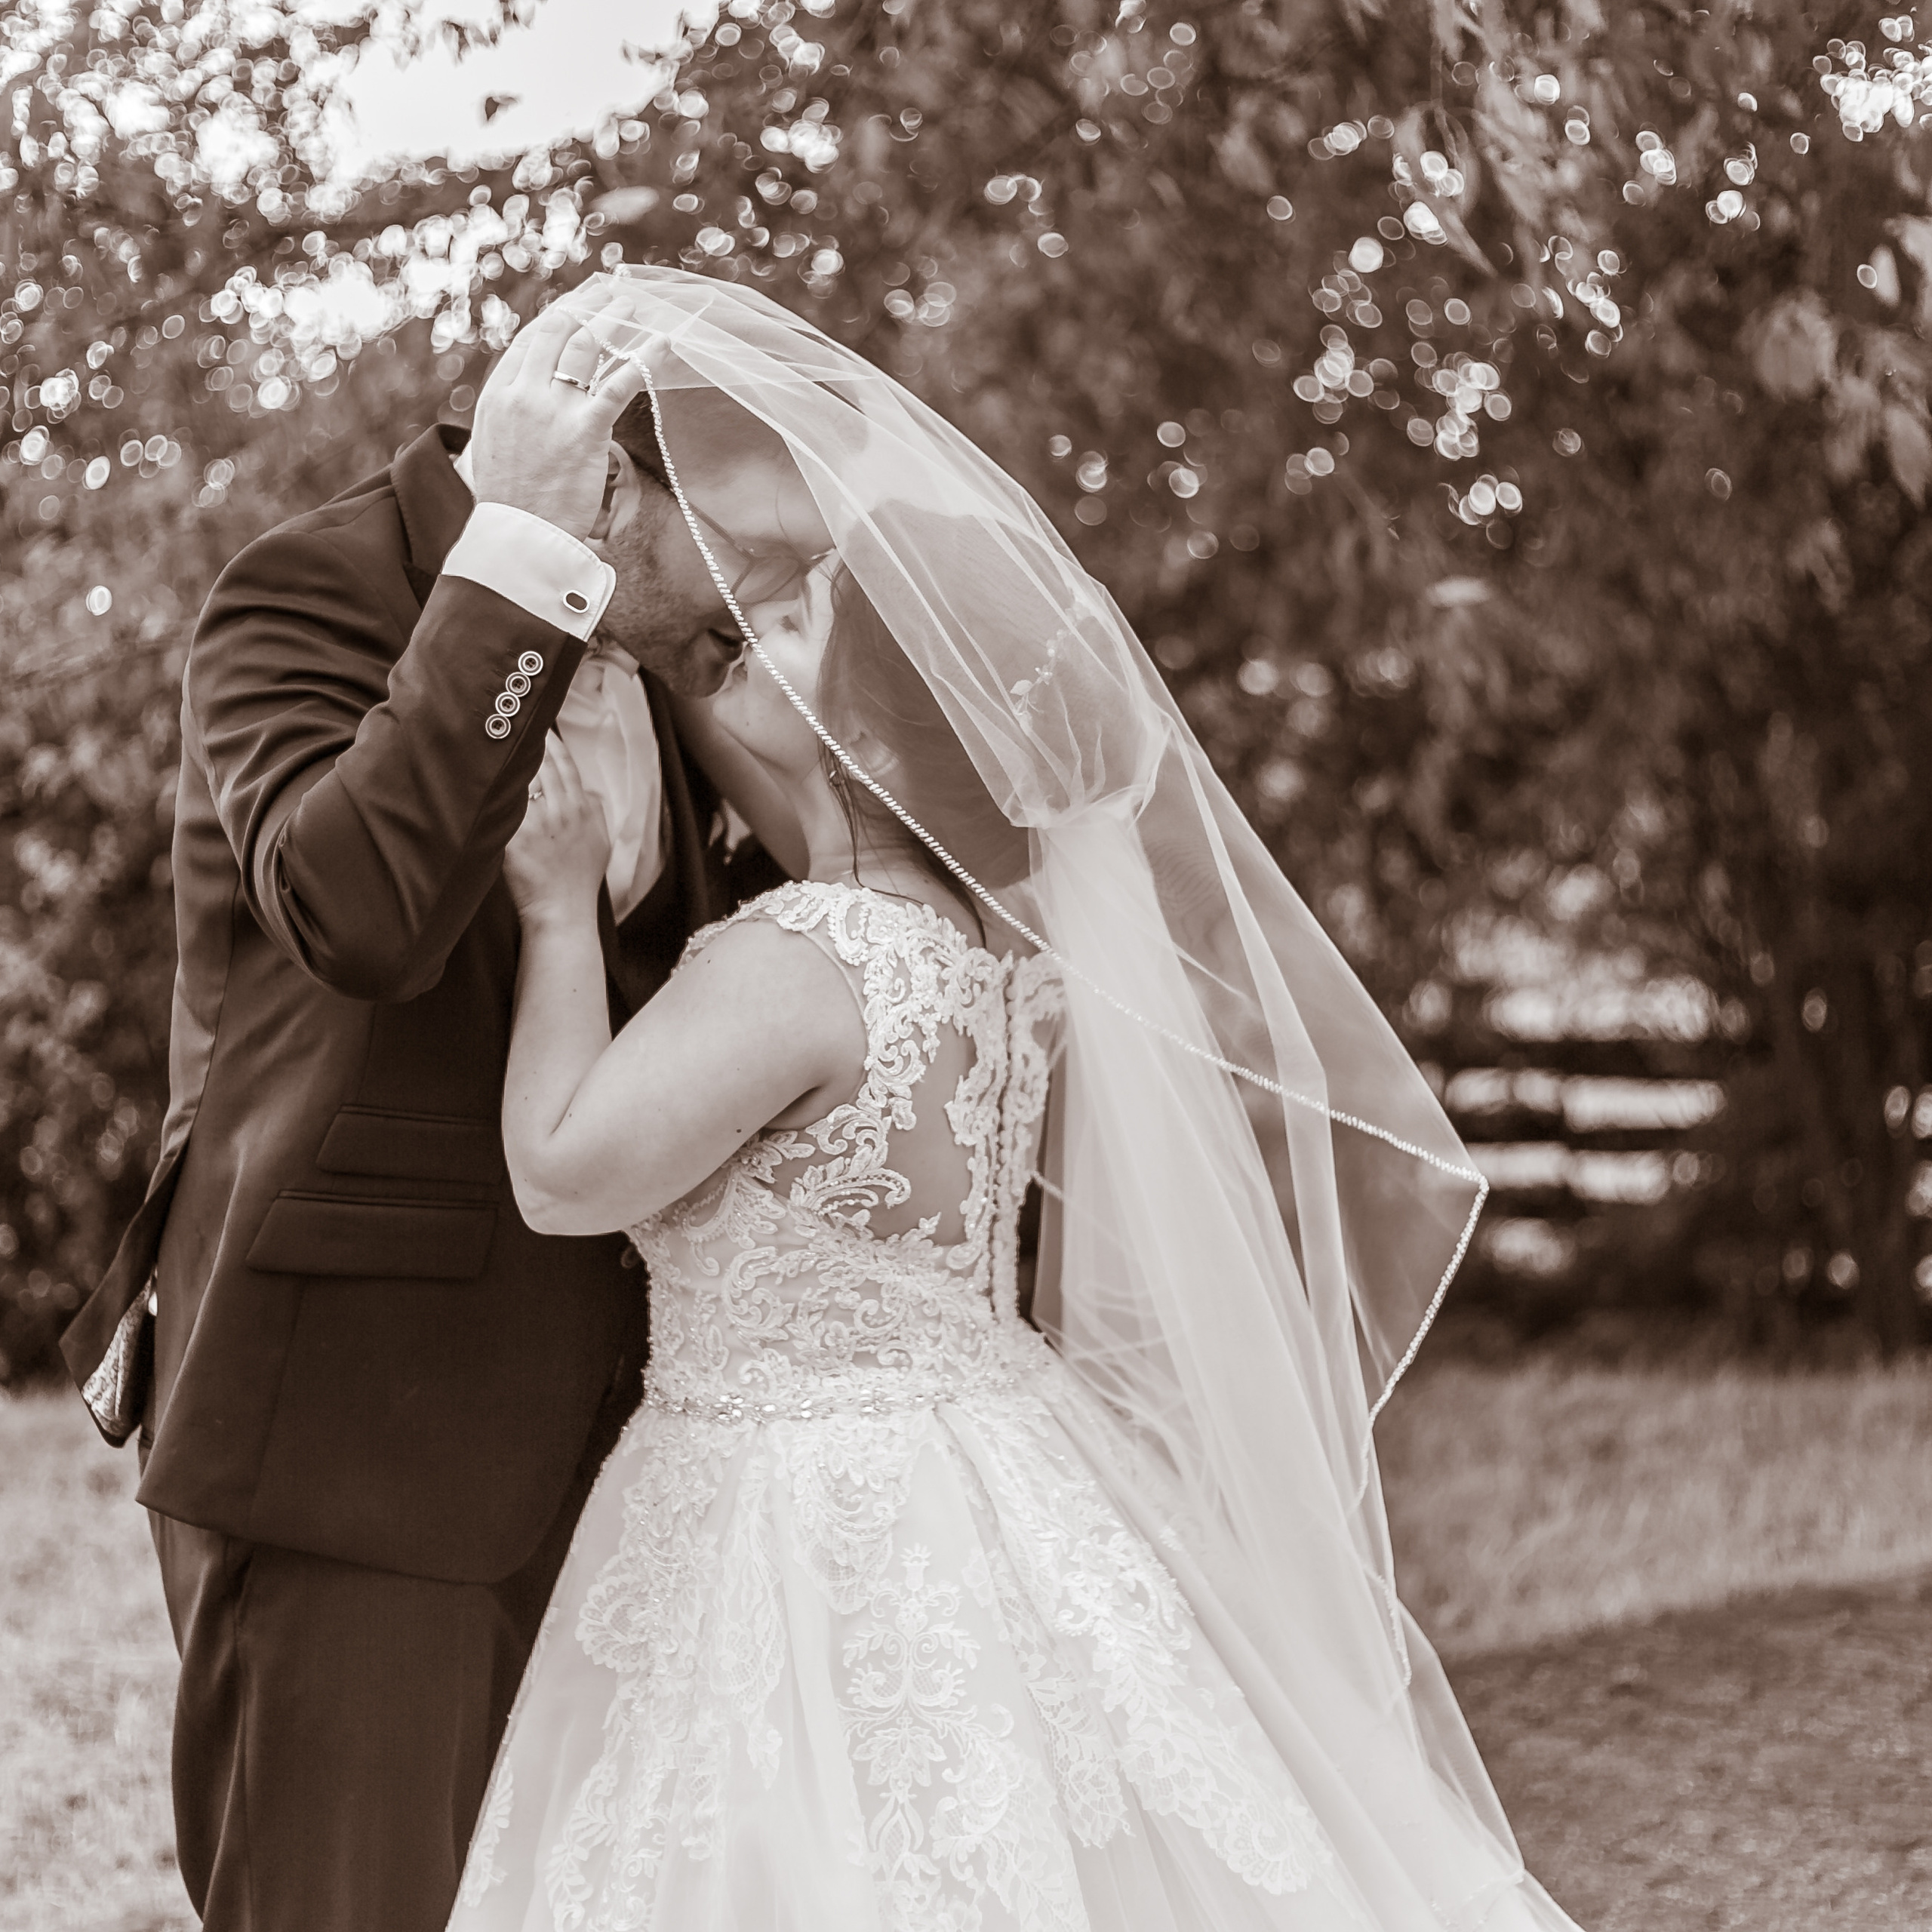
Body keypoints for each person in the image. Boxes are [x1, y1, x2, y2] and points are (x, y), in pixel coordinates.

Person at [446, 267, 1586, 1931]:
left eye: (774, 643)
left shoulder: (797, 955)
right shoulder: (994, 966)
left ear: (849, 732)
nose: (736, 656)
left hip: (795, 1519)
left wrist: (553, 904)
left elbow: (561, 1169)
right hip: (992, 1471)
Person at [57, 281, 795, 1932]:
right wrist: (519, 570)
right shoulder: (307, 591)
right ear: (612, 488)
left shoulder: (687, 683)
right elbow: (363, 911)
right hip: (362, 1442)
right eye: (738, 549)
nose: (755, 602)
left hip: (645, 1459)